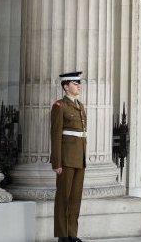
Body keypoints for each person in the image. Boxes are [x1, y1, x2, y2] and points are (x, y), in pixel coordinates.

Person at [51, 71, 87, 242]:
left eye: (79, 83)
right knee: (63, 198)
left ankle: (72, 234)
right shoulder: (60, 106)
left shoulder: (80, 105)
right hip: (65, 159)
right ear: (66, 86)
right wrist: (56, 162)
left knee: (75, 199)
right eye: (75, 83)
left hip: (79, 159)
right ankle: (63, 236)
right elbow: (56, 135)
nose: (79, 86)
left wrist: (83, 158)